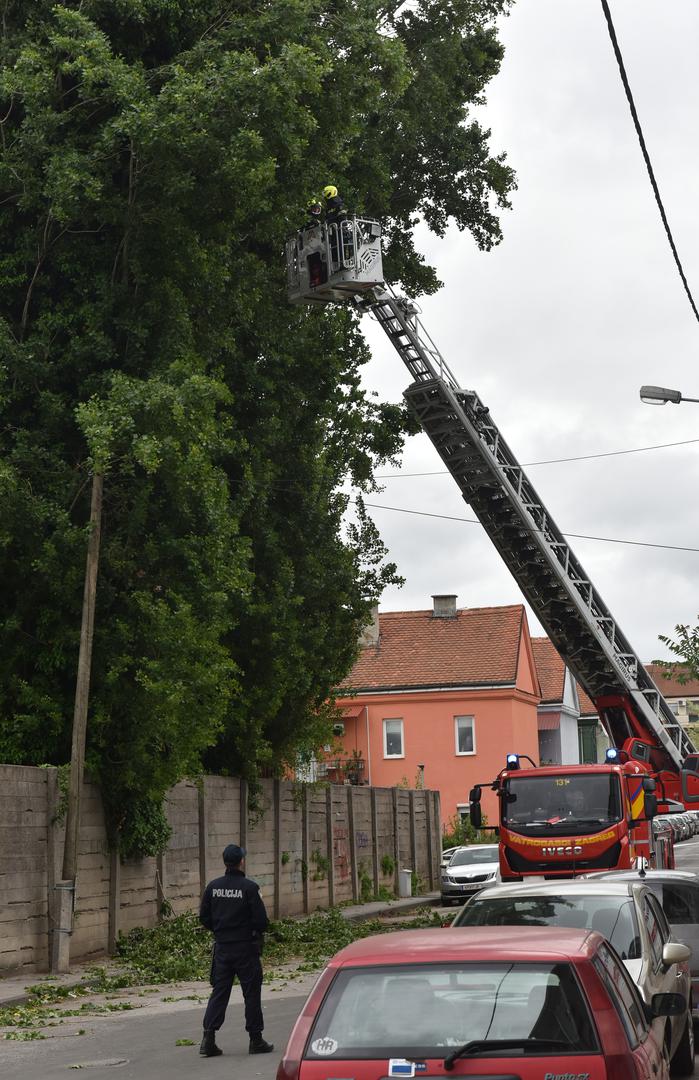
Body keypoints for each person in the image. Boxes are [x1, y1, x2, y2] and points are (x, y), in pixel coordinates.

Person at [199, 844, 273, 1058]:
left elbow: (204, 918)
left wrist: (221, 931)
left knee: (220, 992)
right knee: (251, 993)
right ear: (241, 861)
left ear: (225, 862)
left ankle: (208, 1038)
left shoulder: (213, 887)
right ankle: (255, 1039)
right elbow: (261, 921)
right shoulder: (250, 888)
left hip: (223, 948)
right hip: (245, 948)